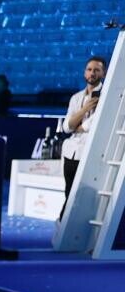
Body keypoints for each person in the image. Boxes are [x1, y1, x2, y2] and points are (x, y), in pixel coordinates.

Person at [63, 56, 107, 197]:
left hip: (90, 153)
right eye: (89, 69)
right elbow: (67, 127)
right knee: (69, 195)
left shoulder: (107, 96)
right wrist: (84, 110)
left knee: (85, 197)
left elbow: (91, 125)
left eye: (96, 70)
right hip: (71, 154)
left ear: (104, 73)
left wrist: (77, 125)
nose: (92, 73)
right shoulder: (75, 97)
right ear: (84, 72)